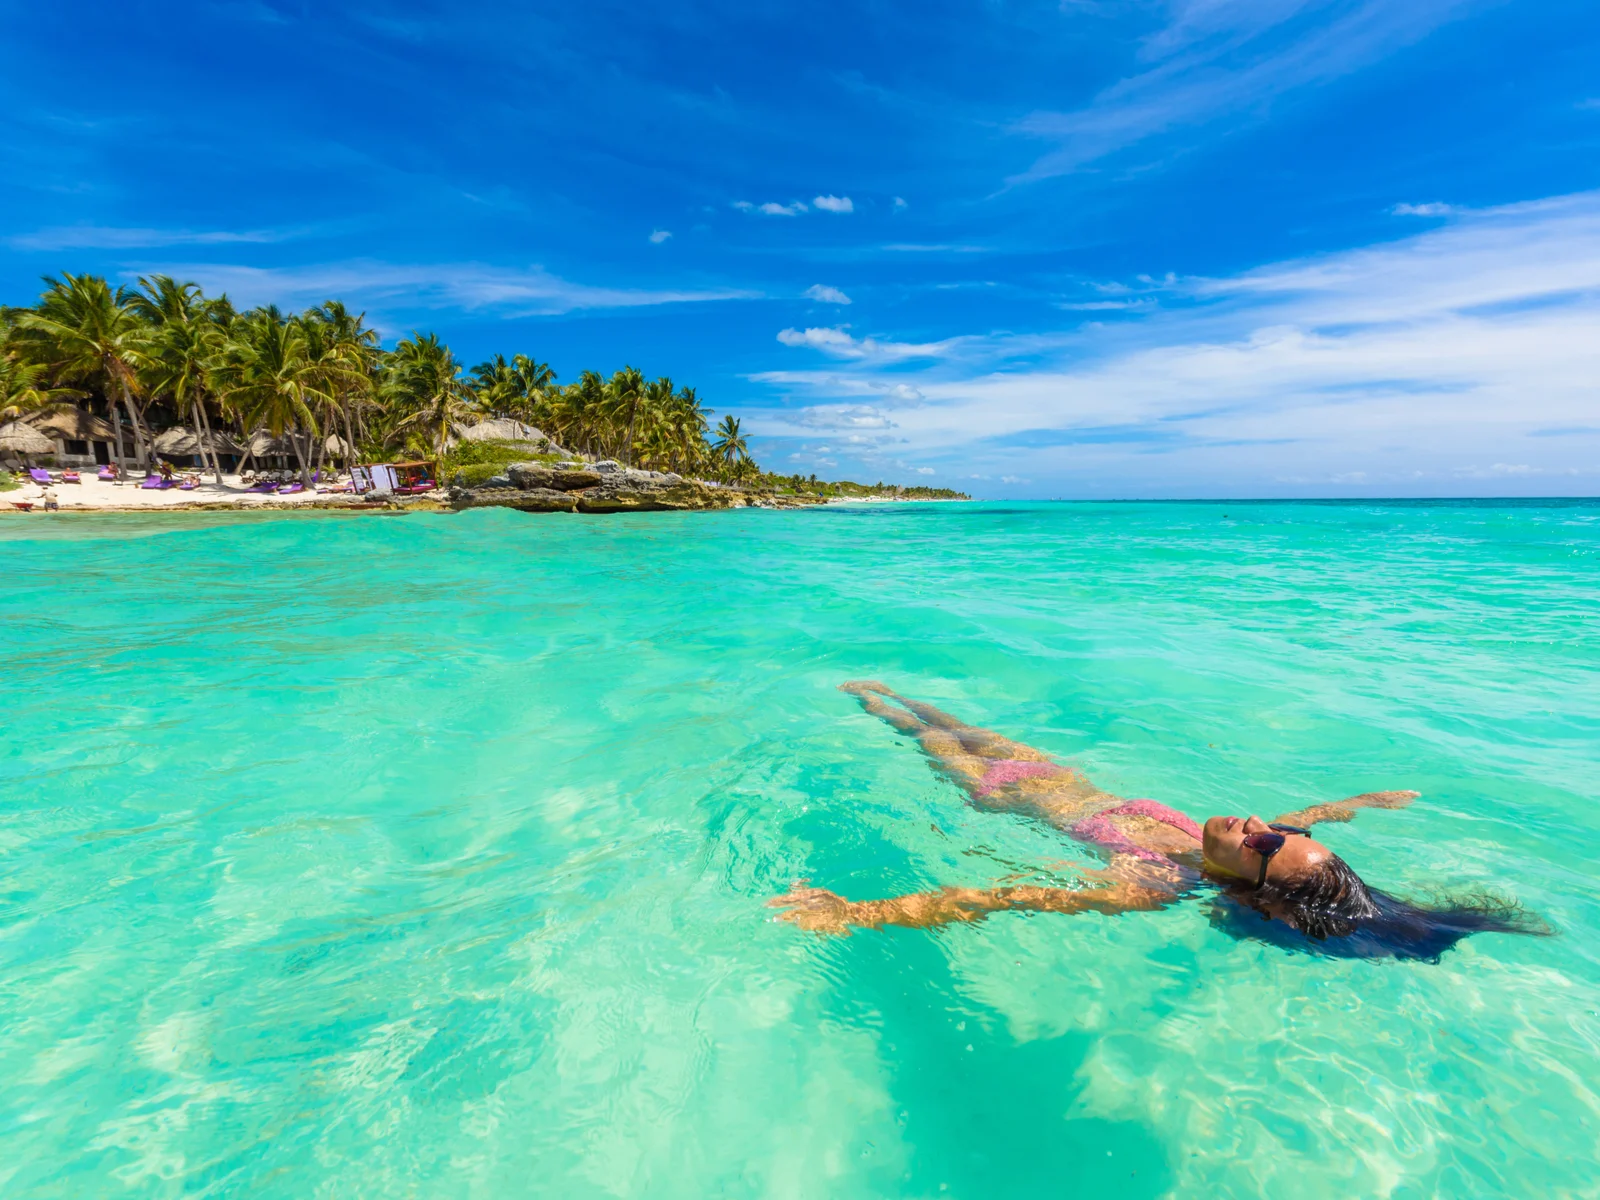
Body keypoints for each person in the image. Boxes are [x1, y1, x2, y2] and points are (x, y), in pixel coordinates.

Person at [769, 683, 1548, 960]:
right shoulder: (1250, 840)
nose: (1260, 824)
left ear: (1254, 882)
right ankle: (878, 687)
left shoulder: (1153, 882)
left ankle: (857, 696)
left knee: (914, 728)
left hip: (998, 792)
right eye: (1283, 831)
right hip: (1054, 773)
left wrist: (862, 913)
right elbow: (1305, 816)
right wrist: (1363, 803)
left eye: (1268, 843)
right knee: (944, 711)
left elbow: (1006, 897)